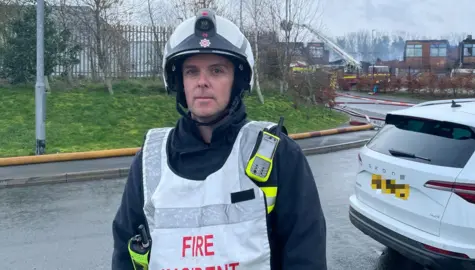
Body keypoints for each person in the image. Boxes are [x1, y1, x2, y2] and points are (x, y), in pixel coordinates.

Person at [111, 8, 327, 270]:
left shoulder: (276, 154)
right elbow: (125, 251)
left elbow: (306, 257)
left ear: (237, 80)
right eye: (191, 71)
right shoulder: (150, 160)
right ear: (179, 81)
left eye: (216, 71)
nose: (202, 82)